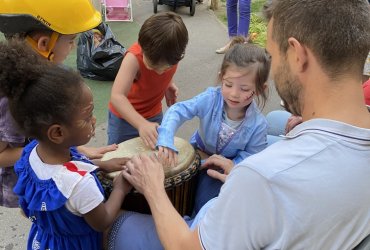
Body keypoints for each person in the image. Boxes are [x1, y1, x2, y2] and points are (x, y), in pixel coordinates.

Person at [110, 0, 370, 249]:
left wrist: (153, 188)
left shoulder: (259, 177)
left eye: (272, 53)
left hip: (202, 233)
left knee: (119, 225)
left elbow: (188, 246)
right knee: (274, 121)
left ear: (297, 55)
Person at [0, 40, 132, 250]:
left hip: (44, 240)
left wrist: (100, 164)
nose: (94, 121)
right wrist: (120, 189)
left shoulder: (29, 154)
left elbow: (28, 206)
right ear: (58, 132)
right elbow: (103, 221)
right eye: (88, 116)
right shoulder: (80, 185)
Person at [0, 0, 119, 208]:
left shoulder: (45, 74)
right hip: (25, 185)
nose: (73, 47)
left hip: (46, 168)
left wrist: (76, 148)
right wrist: (54, 147)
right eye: (71, 40)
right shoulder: (13, 96)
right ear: (44, 44)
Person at [157, 37, 270, 213]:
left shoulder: (259, 125)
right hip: (197, 154)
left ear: (260, 89)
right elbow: (178, 110)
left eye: (245, 89)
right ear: (221, 78)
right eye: (228, 84)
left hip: (222, 171)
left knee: (204, 203)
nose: (234, 93)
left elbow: (253, 157)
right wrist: (165, 138)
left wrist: (229, 163)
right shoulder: (211, 98)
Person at [108, 12, 189, 149]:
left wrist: (168, 84)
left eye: (165, 68)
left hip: (154, 115)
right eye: (153, 66)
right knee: (119, 157)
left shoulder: (171, 54)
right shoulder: (133, 58)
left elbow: (161, 75)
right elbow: (117, 96)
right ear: (142, 47)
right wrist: (141, 124)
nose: (159, 71)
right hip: (124, 120)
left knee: (153, 155)